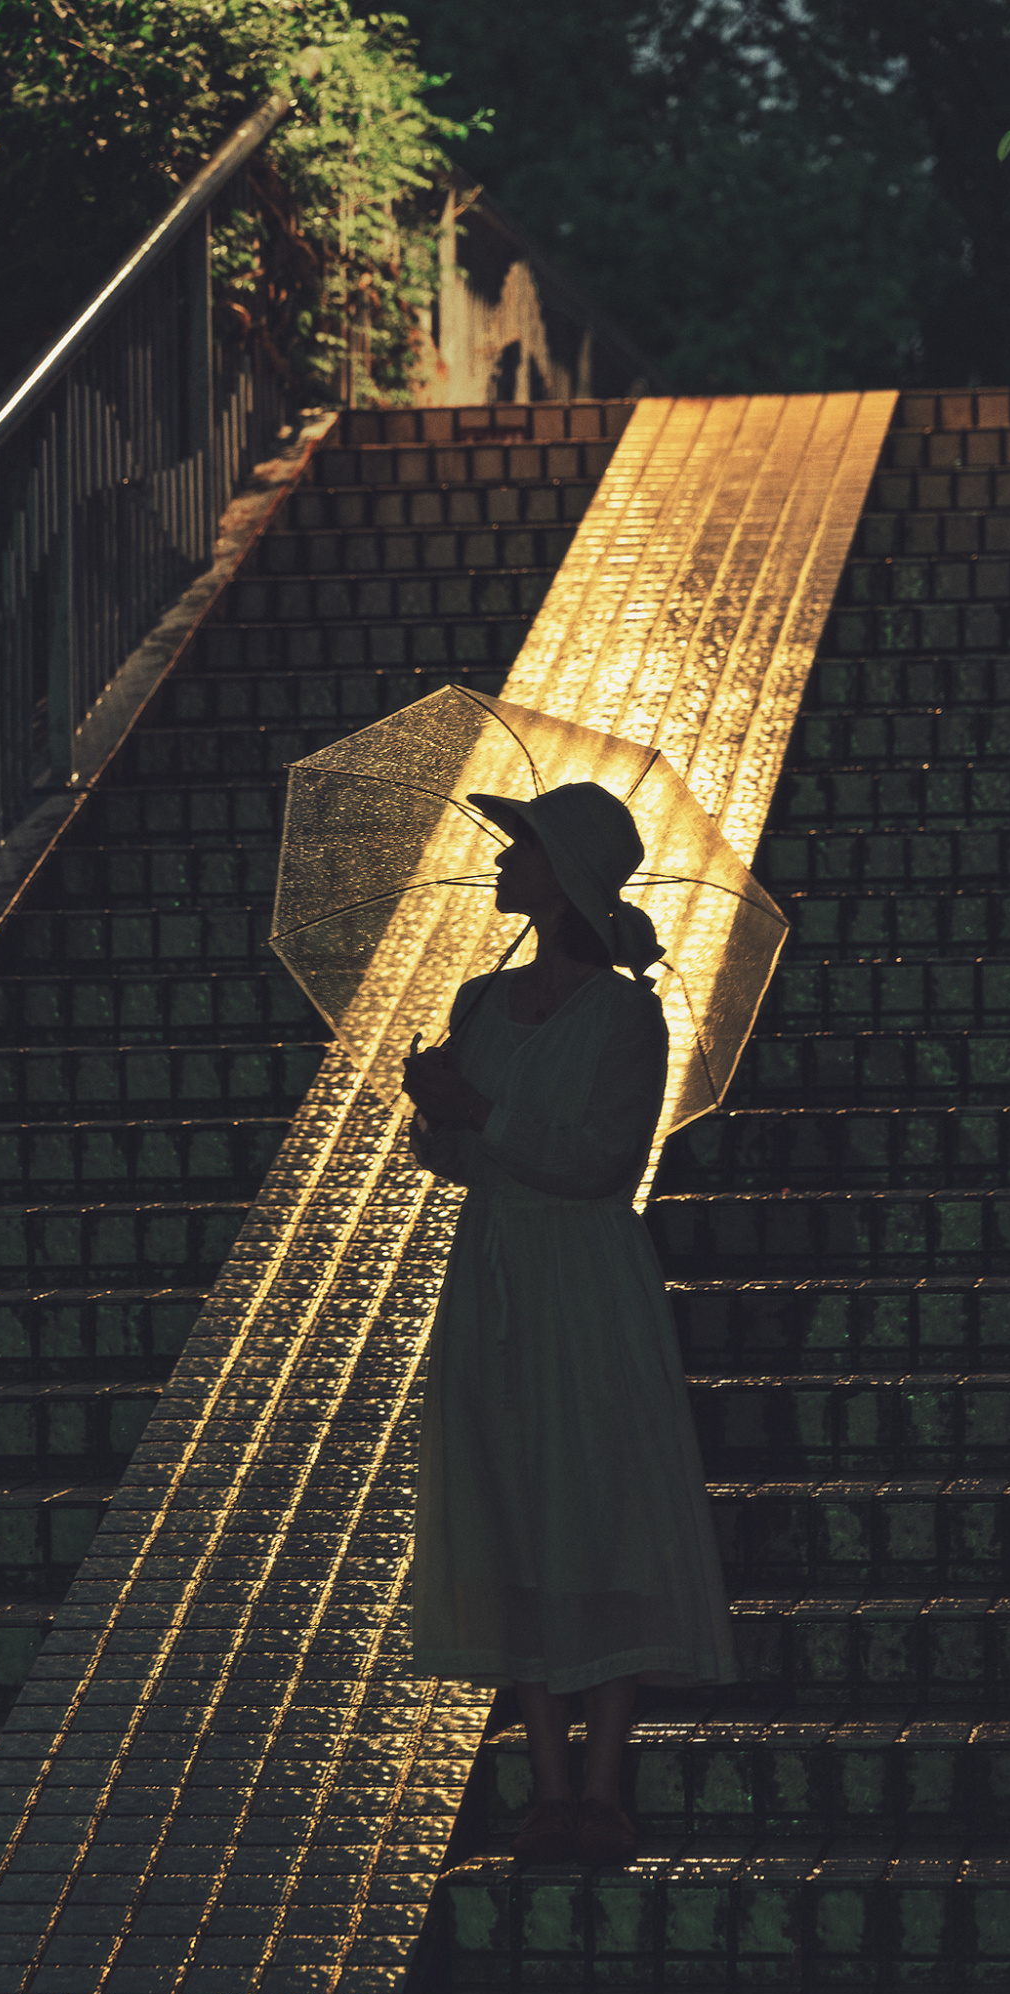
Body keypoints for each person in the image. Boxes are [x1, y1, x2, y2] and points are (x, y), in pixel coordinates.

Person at [401, 781, 735, 1867]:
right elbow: (459, 1162)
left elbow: (602, 1162)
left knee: (599, 1499)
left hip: (585, 1278)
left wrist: (479, 1111)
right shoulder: (478, 1001)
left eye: (523, 849)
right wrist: (436, 1117)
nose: (504, 863)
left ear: (568, 875)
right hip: (495, 1273)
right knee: (512, 1499)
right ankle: (550, 1784)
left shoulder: (626, 1014)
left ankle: (601, 1784)